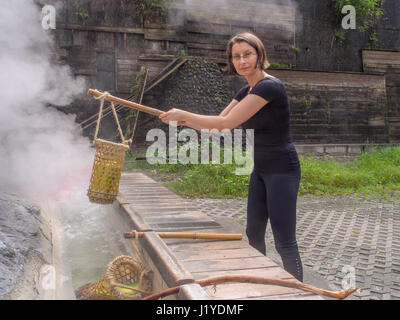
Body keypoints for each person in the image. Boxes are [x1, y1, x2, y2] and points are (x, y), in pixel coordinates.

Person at [159, 32, 303, 282]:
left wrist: (184, 114)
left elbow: (226, 122)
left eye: (247, 54)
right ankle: (261, 281)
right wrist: (182, 120)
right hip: (260, 169)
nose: (242, 60)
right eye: (236, 56)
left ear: (260, 55)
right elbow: (218, 126)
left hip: (282, 169)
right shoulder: (245, 91)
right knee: (253, 233)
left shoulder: (270, 87)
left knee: (284, 241)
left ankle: (299, 291)